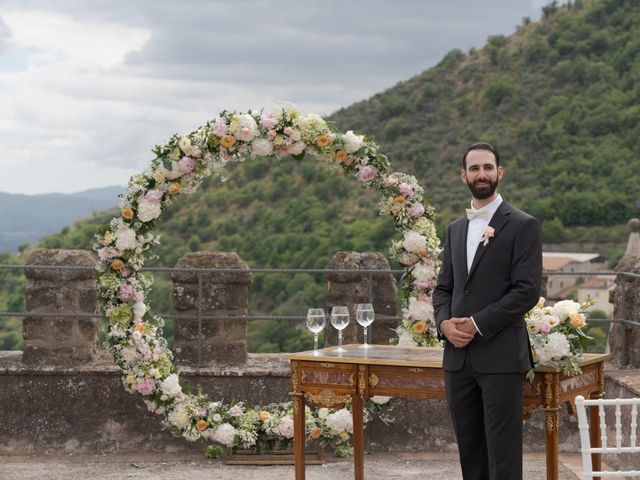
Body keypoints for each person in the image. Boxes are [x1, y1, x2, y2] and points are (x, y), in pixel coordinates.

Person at [432, 142, 542, 480]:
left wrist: (477, 324)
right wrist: (444, 325)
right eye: (475, 168)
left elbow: (526, 291)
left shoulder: (523, 225)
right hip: (458, 360)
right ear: (463, 175)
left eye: (488, 167)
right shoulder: (454, 229)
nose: (482, 174)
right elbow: (444, 289)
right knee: (471, 453)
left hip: (501, 357)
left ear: (500, 172)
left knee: (503, 455)